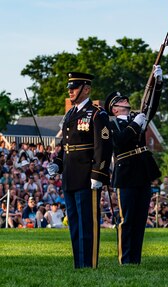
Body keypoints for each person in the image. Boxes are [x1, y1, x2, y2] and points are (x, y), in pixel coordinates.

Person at [49, 72, 113, 268]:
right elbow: (65, 144)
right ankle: (79, 263)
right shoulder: (70, 114)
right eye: (69, 88)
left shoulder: (97, 114)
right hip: (69, 174)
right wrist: (57, 163)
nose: (70, 91)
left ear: (86, 89)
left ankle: (89, 263)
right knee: (75, 223)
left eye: (74, 87)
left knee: (87, 223)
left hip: (87, 175)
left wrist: (98, 173)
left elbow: (103, 146)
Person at [104, 65, 162, 265]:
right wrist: (135, 124)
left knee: (139, 219)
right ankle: (125, 258)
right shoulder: (110, 123)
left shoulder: (137, 118)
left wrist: (158, 83)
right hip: (126, 173)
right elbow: (119, 142)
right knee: (127, 219)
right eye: (121, 101)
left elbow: (151, 106)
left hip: (141, 172)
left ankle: (135, 258)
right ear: (114, 108)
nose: (126, 101)